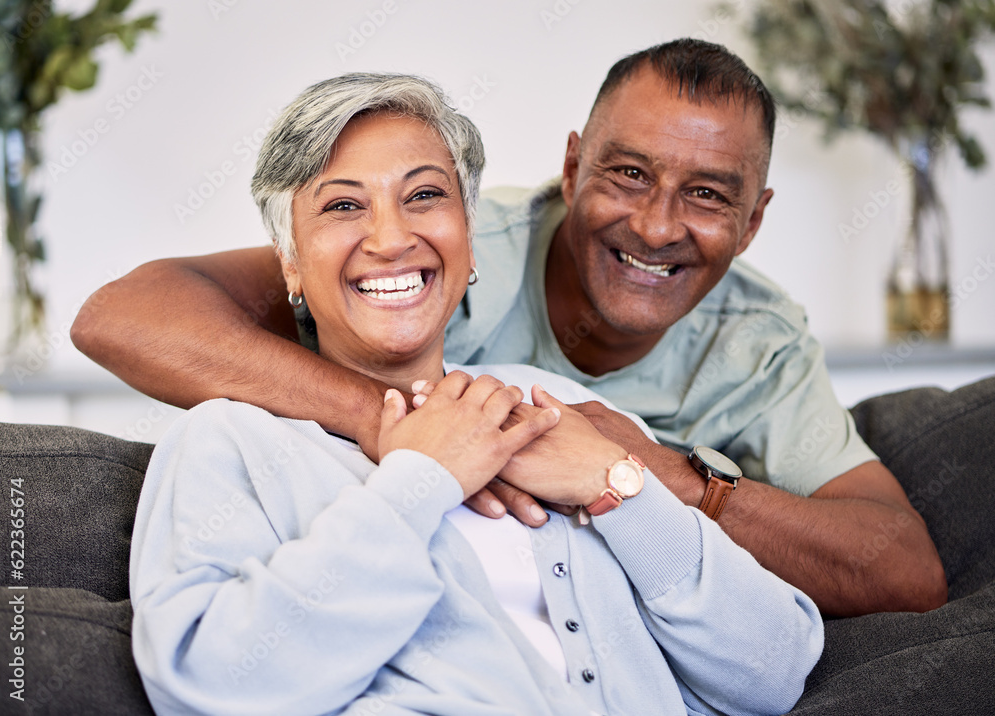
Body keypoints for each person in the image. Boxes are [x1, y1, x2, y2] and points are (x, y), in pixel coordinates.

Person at [76, 39, 945, 617]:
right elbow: (120, 316)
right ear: (571, 168)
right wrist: (407, 427)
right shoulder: (430, 245)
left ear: (753, 223)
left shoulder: (760, 342)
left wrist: (650, 476)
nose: (654, 226)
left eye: (708, 195)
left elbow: (903, 571)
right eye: (629, 174)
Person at [129, 73, 823, 716]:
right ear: (291, 262)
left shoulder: (553, 406)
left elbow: (776, 667)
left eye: (425, 196)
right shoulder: (229, 443)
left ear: (467, 238)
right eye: (343, 205)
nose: (392, 237)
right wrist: (421, 483)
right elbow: (207, 683)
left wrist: (619, 487)